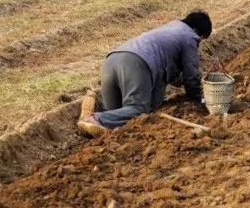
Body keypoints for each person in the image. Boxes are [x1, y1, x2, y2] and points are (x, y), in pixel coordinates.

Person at [77, 12, 212, 136]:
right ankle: (96, 118)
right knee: (139, 109)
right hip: (136, 63)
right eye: (201, 39)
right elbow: (192, 74)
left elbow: (171, 73)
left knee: (117, 118)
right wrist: (198, 99)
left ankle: (92, 114)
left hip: (111, 61)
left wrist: (182, 81)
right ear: (197, 31)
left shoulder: (171, 28)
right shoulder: (189, 37)